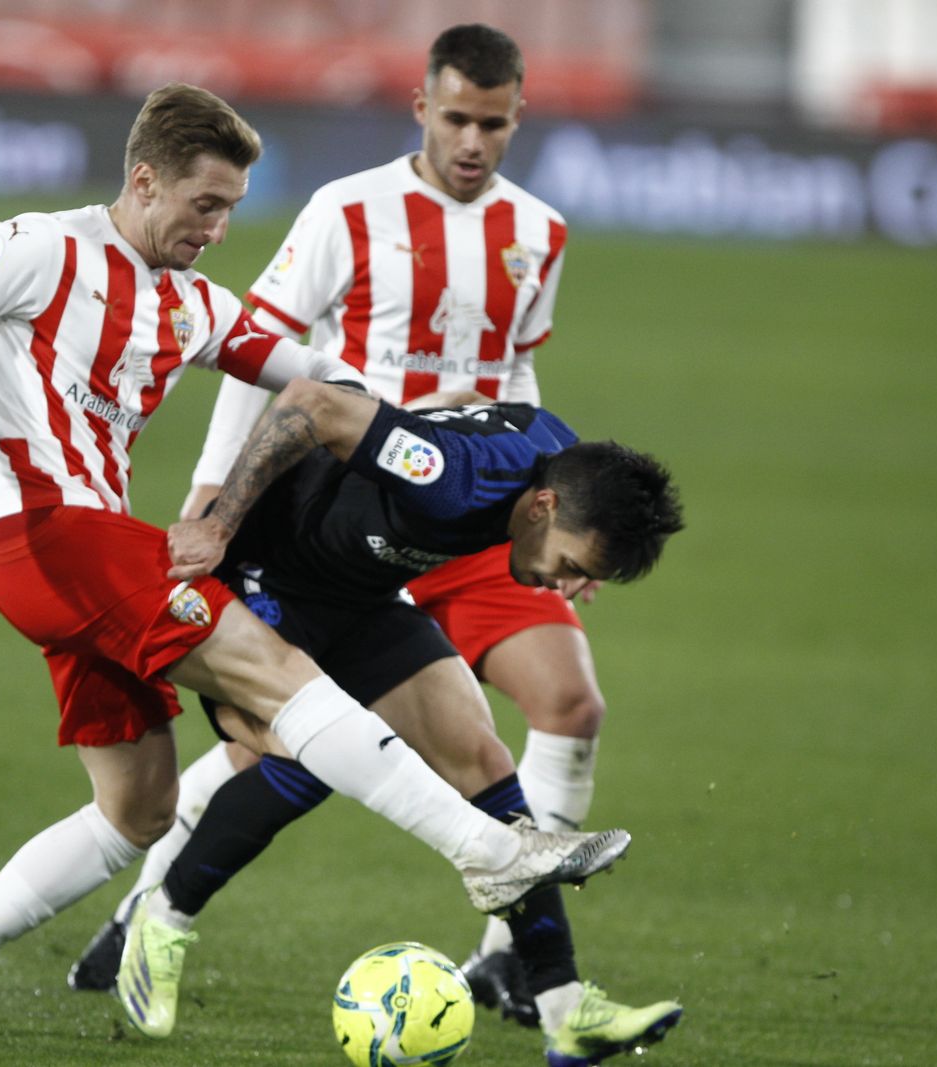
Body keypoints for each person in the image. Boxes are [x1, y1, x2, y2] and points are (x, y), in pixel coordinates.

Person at [0, 82, 630, 1037]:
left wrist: (422, 426)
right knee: (282, 672)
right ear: (145, 180)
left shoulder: (193, 305)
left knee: (137, 809)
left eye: (229, 209)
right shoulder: (43, 247)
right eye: (206, 205)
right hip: (49, 531)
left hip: (87, 554)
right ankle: (483, 849)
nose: (219, 229)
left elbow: (315, 380)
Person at [71, 23, 613, 1027]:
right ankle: (143, 908)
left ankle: (517, 966)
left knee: (564, 707)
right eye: (454, 117)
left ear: (516, 120)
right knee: (295, 747)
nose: (471, 141)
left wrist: (546, 484)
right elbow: (264, 359)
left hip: (477, 517)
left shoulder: (540, 232)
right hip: (346, 514)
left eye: (491, 124)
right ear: (422, 108)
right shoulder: (345, 210)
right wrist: (206, 495)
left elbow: (515, 372)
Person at [110, 379, 685, 1066]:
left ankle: (565, 1011)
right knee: (315, 757)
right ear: (543, 505)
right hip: (266, 585)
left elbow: (472, 402)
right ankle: (162, 916)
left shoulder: (558, 459)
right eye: (568, 564)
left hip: (361, 597)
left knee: (482, 756)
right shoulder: (451, 475)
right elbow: (312, 401)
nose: (562, 585)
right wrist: (218, 522)